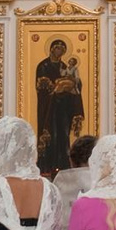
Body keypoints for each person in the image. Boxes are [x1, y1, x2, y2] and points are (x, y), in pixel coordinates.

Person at [35, 38, 84, 168]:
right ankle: (46, 166)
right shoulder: (43, 66)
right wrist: (55, 87)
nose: (60, 51)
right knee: (51, 135)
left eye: (63, 49)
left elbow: (75, 83)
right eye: (58, 48)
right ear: (51, 49)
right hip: (49, 107)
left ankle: (63, 164)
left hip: (63, 108)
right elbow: (41, 87)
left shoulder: (64, 66)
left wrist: (76, 82)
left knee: (63, 134)